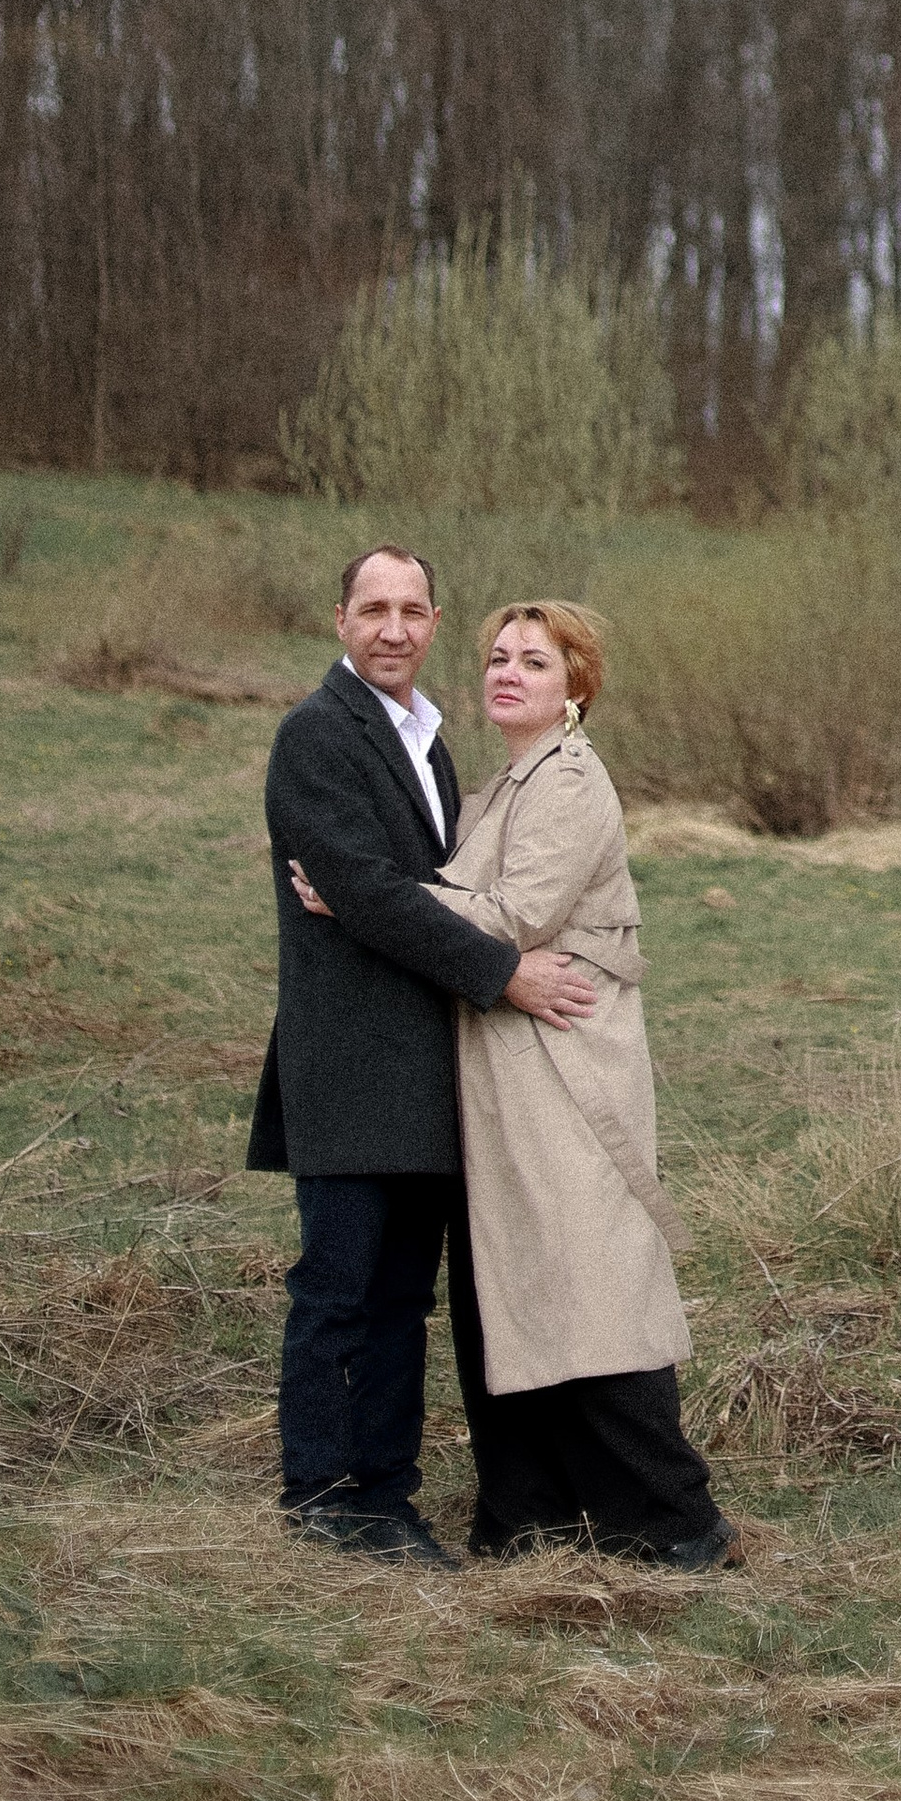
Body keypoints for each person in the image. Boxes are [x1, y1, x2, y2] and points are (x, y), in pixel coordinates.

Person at [294, 595, 736, 1571]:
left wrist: (367, 898)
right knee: (520, 1284)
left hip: (567, 1066)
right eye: (497, 657)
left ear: (575, 687)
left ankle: (670, 1522)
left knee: (590, 1276)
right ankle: (527, 1516)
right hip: (512, 1066)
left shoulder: (570, 781)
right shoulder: (505, 783)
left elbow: (517, 912)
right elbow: (466, 899)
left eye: (534, 662)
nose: (506, 673)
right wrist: (388, 900)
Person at [247, 544, 599, 1567]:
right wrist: (505, 972)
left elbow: (416, 890)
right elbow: (367, 892)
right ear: (340, 622)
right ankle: (320, 1491)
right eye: (373, 609)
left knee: (405, 1294)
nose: (392, 628)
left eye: (410, 610)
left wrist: (397, 904)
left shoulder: (430, 741)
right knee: (340, 1286)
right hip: (352, 1060)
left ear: (434, 622)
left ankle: (386, 1494)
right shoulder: (316, 736)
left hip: (428, 1066)